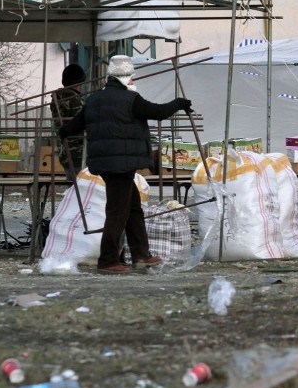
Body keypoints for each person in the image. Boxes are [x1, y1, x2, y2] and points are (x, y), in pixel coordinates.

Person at [59, 55, 194, 274]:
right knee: (117, 212)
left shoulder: (94, 100)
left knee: (132, 209)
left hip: (106, 164)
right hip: (121, 165)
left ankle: (141, 255)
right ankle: (108, 260)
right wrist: (179, 103)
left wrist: (62, 132)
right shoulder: (130, 99)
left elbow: (73, 126)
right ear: (126, 77)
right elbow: (158, 112)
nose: (133, 81)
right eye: (131, 77)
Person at [52, 64, 86, 181]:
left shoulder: (57, 98)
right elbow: (81, 121)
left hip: (65, 150)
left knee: (74, 185)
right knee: (81, 188)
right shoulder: (75, 100)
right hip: (78, 151)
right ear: (78, 83)